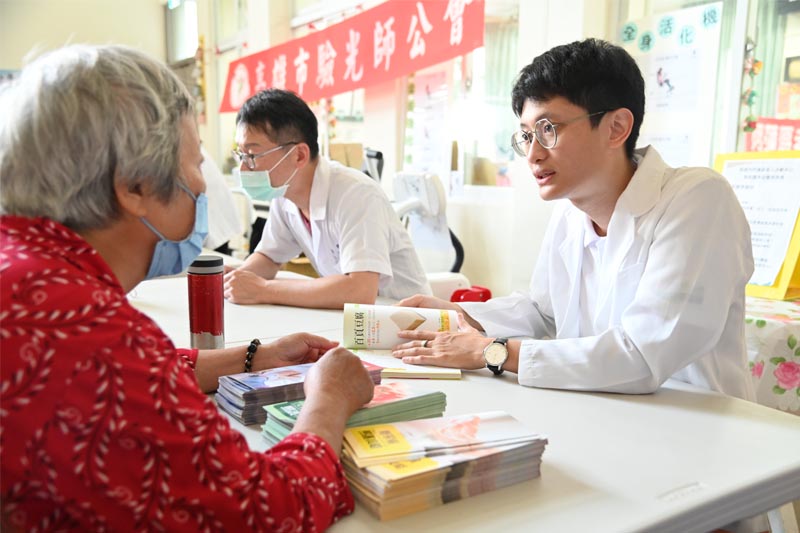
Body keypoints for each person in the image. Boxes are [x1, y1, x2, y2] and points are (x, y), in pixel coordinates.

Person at [0, 44, 374, 531]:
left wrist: (256, 356)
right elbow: (266, 508)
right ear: (134, 187)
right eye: (196, 163)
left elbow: (125, 371)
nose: (204, 185)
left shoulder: (31, 277)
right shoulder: (90, 330)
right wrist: (329, 398)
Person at [392, 38, 756, 401]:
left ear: (616, 128)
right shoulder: (571, 210)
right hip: (605, 410)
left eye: (549, 129)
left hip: (696, 426)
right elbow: (543, 312)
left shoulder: (697, 199)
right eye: (526, 135)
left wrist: (491, 351)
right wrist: (463, 316)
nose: (533, 154)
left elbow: (643, 356)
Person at [223, 89, 431, 309]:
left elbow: (359, 291)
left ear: (299, 155)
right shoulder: (285, 196)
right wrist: (235, 280)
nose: (244, 168)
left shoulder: (356, 194)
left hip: (404, 319)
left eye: (253, 156)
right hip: (355, 321)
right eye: (242, 155)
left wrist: (263, 290)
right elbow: (269, 257)